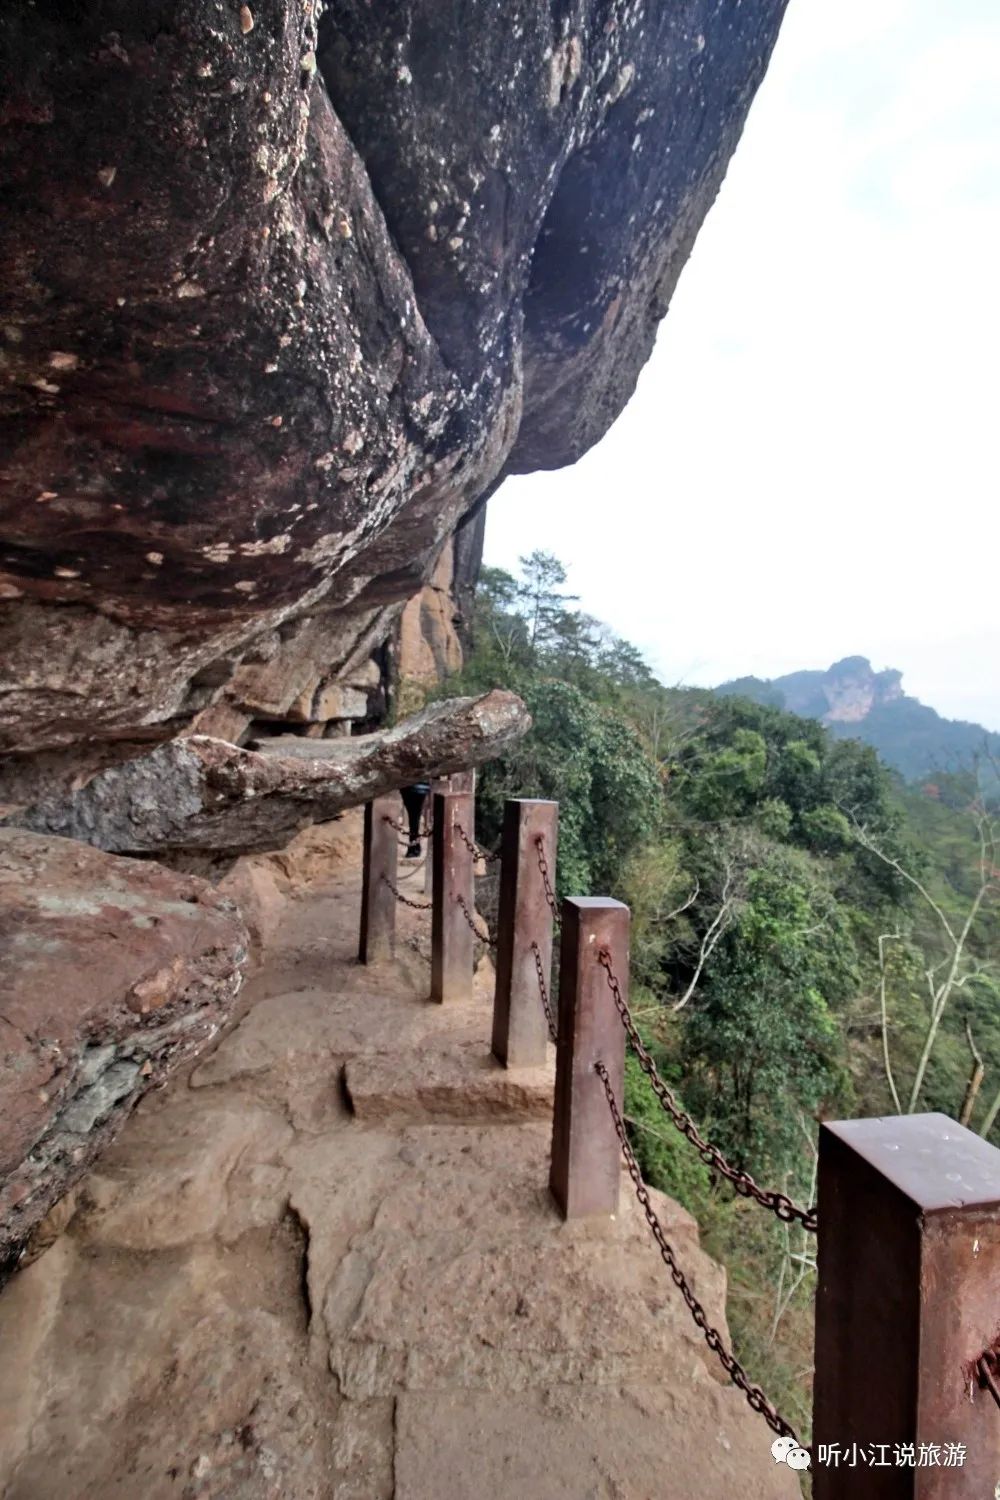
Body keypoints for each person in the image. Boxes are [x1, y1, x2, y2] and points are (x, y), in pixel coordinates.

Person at [399, 782, 430, 857]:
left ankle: (414, 846)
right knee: (414, 815)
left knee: (414, 815)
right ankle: (414, 845)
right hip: (420, 786)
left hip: (410, 785)